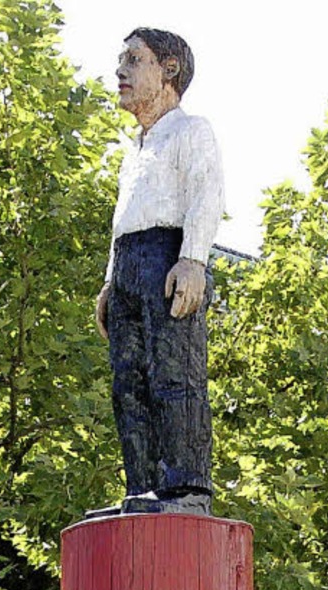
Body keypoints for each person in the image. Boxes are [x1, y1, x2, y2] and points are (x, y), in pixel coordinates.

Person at [93, 28, 224, 517]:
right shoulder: (135, 149)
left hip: (167, 257)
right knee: (129, 382)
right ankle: (143, 486)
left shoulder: (192, 131)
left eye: (134, 59)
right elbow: (122, 218)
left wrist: (192, 259)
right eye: (121, 59)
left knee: (174, 374)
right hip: (128, 263)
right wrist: (111, 280)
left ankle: (187, 488)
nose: (120, 70)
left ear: (168, 69)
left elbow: (206, 195)